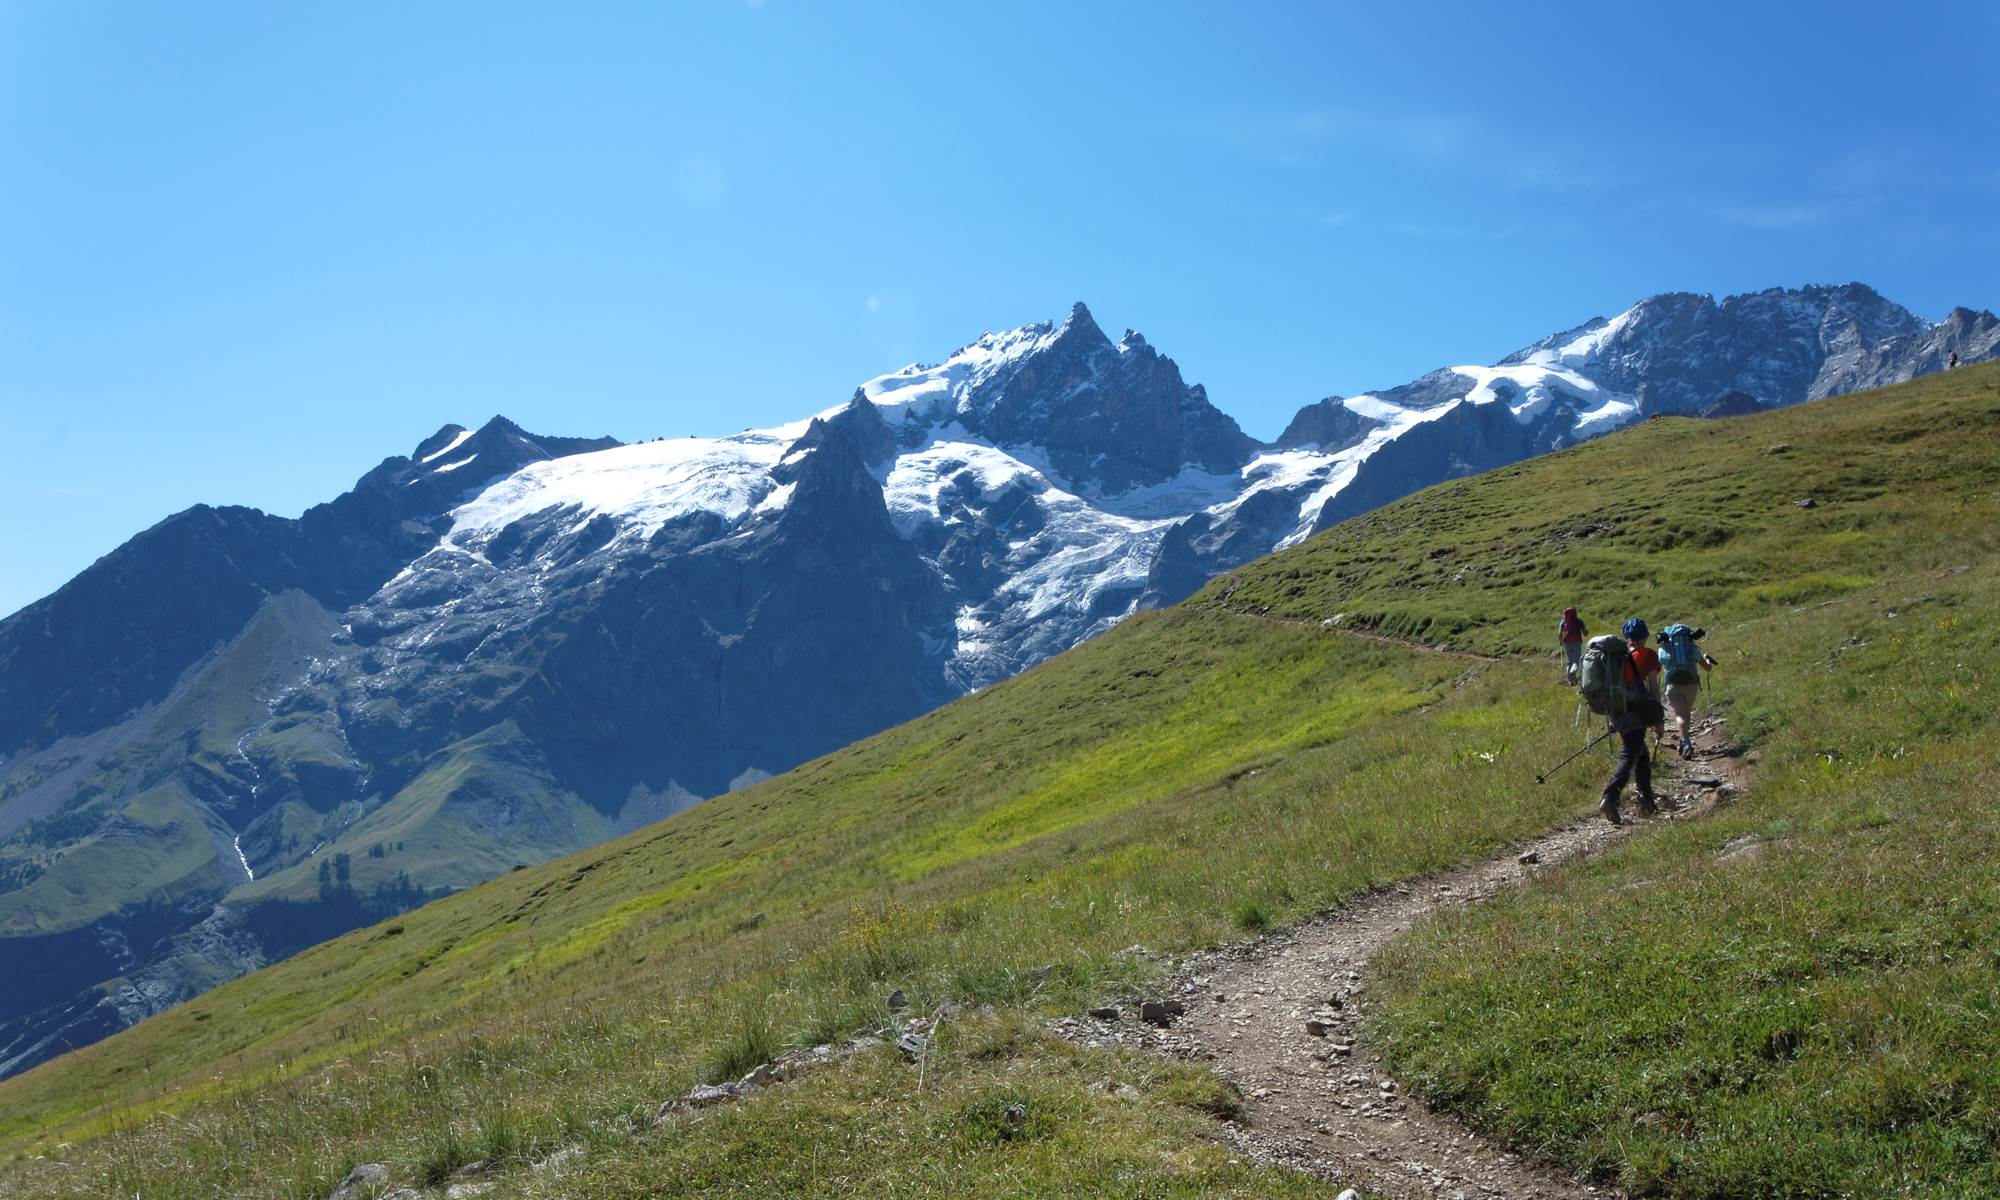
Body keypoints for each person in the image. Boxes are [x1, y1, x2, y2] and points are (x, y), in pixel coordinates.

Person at [1600, 617, 1664, 824]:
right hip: (1635, 714)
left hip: (1617, 713)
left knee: (1641, 755)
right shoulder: (1648, 655)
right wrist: (1659, 719)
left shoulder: (1616, 656)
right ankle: (1610, 797)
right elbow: (1654, 688)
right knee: (1629, 754)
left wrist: (1612, 717)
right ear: (1645, 635)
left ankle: (1647, 802)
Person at [1657, 624, 1718, 756]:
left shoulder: (1664, 649)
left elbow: (1656, 668)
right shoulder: (1691, 649)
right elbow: (1707, 668)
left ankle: (1684, 741)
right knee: (1686, 713)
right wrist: (1708, 660)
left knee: (1680, 715)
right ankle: (1685, 740)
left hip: (1673, 686)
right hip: (1691, 685)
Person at [1558, 606, 1587, 684]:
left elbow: (1560, 633)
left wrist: (1560, 641)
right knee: (1576, 661)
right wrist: (1585, 631)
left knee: (1569, 661)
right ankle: (1573, 672)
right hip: (1577, 642)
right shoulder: (1578, 621)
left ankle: (1570, 680)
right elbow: (1585, 632)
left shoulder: (1563, 622)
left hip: (1567, 642)